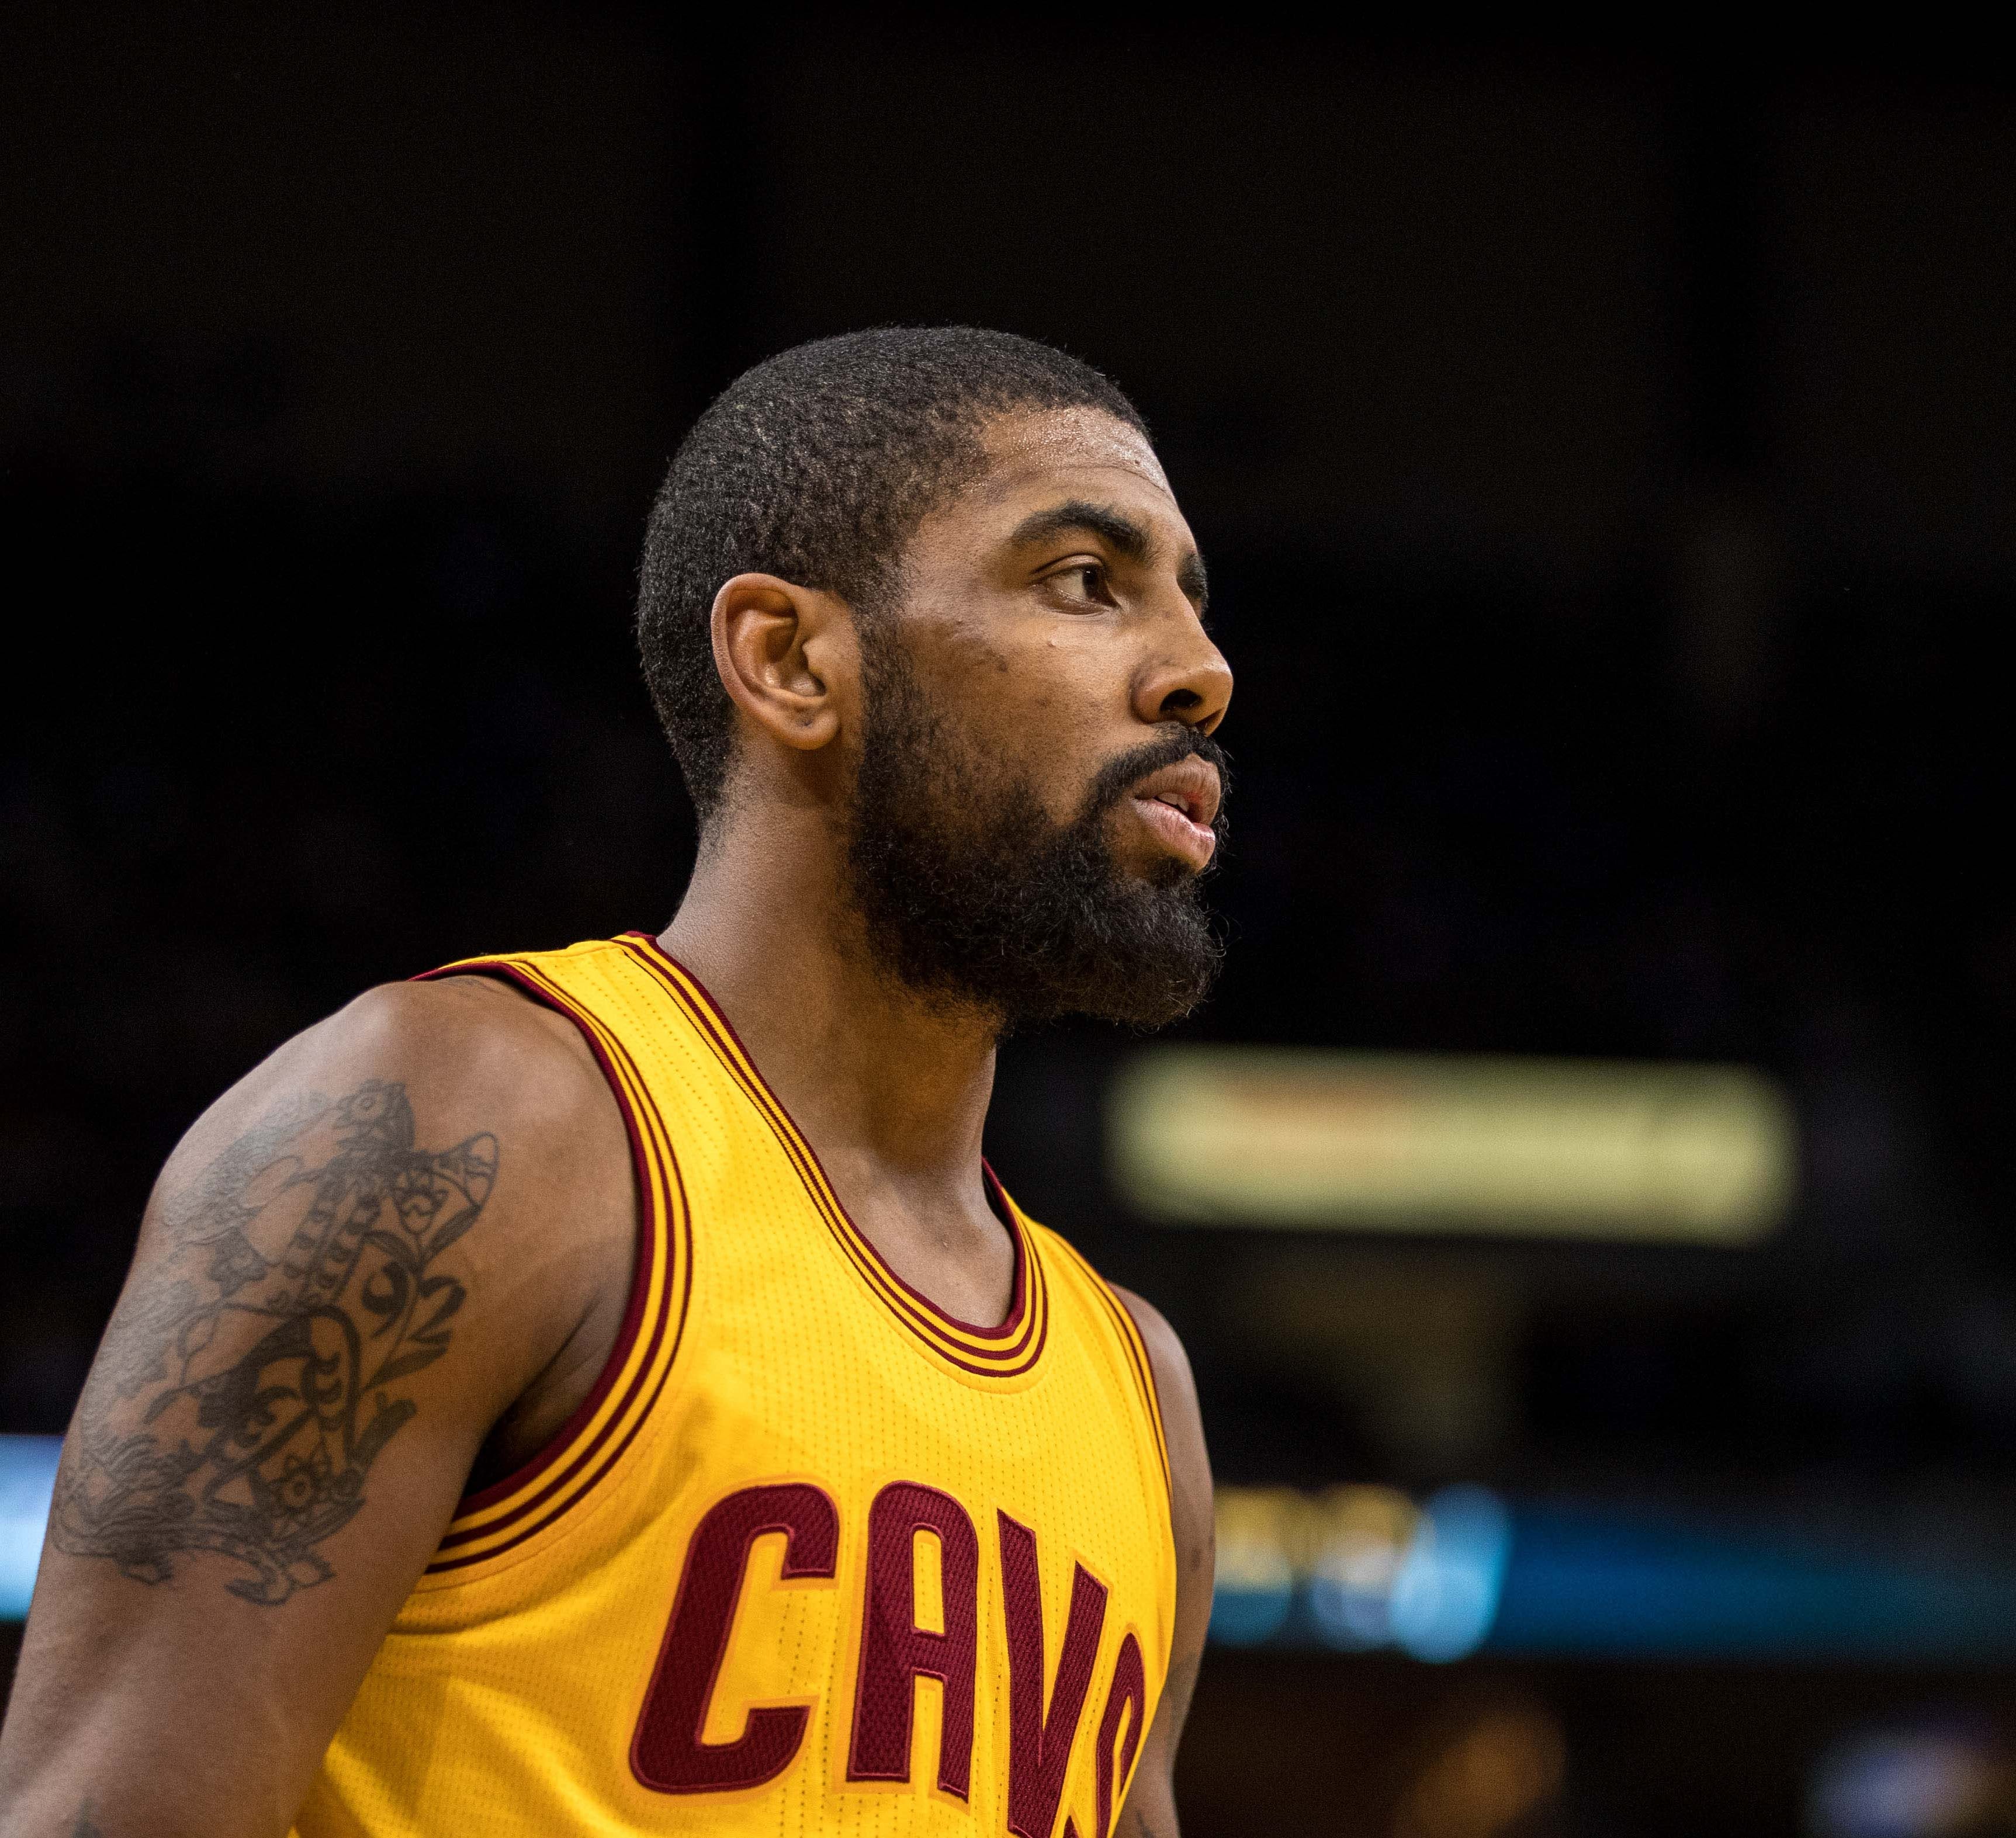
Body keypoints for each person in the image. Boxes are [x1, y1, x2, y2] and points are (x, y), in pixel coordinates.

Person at [0, 328, 1227, 1838]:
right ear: (787, 658)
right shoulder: (457, 1130)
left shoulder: (1135, 1390)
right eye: (1084, 580)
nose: (1199, 672)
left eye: (1189, 599)